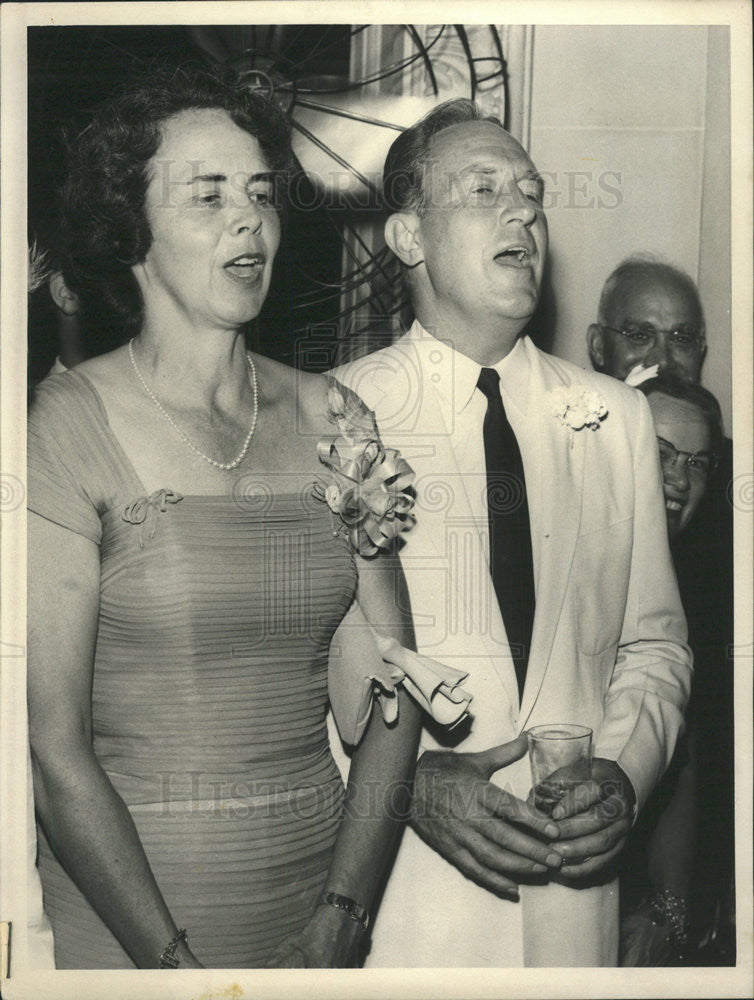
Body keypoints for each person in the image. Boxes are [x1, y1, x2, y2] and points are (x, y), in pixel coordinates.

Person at [27, 63, 430, 970]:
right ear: (132, 230)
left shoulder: (335, 417)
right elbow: (54, 756)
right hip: (133, 934)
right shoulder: (61, 428)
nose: (250, 217)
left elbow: (395, 696)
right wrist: (175, 972)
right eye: (208, 196)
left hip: (316, 913)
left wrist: (344, 914)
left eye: (260, 193)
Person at [332, 98, 692, 967]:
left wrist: (623, 774)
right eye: (484, 187)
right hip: (410, 912)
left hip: (577, 913)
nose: (524, 210)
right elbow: (291, 682)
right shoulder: (338, 412)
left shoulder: (616, 418)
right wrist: (402, 790)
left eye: (531, 192)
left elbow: (655, 644)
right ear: (409, 238)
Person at [587, 258, 735, 961]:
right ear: (598, 347)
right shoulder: (554, 469)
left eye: (681, 338)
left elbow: (689, 742)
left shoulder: (722, 517)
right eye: (639, 333)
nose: (658, 357)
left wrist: (671, 913)